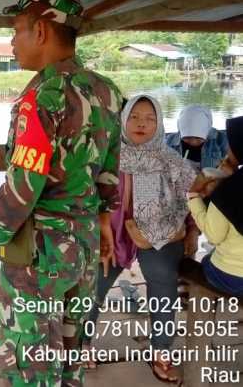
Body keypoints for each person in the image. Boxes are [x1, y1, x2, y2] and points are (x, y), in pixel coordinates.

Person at [0, 0, 123, 387]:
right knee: (70, 356)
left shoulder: (41, 97)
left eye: (17, 30)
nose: (12, 42)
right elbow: (110, 170)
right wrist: (102, 222)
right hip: (81, 249)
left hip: (39, 255)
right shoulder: (107, 91)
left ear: (42, 32)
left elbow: (22, 186)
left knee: (30, 363)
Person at [82, 95, 197, 383]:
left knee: (162, 279)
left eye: (149, 118)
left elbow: (193, 196)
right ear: (123, 120)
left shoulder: (171, 160)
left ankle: (161, 350)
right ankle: (81, 343)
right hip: (113, 233)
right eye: (134, 117)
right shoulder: (107, 156)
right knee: (94, 283)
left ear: (159, 123)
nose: (141, 124)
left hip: (160, 233)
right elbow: (86, 196)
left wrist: (191, 230)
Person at [188, 115, 243, 296]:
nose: (227, 149)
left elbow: (214, 235)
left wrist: (194, 195)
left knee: (208, 261)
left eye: (231, 144)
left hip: (232, 278)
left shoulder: (229, 189)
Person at [165, 104, 228, 170]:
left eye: (198, 138)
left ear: (207, 131)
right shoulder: (170, 142)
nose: (193, 142)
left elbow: (230, 166)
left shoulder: (221, 140)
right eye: (187, 137)